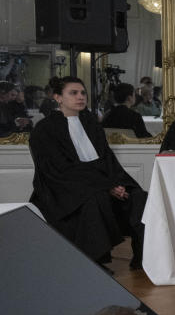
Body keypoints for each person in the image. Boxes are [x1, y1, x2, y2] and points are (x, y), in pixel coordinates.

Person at [28, 76, 146, 270]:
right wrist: (106, 186)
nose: (80, 97)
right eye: (73, 93)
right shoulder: (45, 129)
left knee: (138, 196)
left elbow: (107, 160)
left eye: (83, 93)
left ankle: (142, 258)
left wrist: (117, 183)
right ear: (58, 97)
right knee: (94, 198)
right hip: (63, 189)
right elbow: (59, 169)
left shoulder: (91, 124)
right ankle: (93, 263)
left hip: (99, 182)